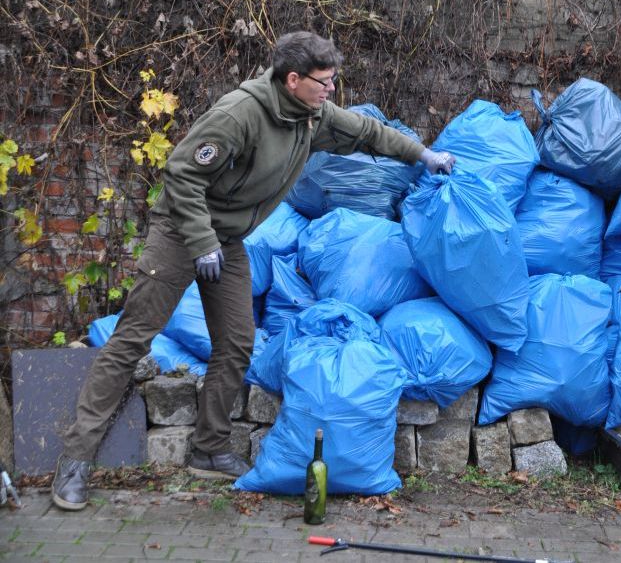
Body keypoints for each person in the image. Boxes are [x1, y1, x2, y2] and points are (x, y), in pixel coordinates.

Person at [52, 31, 456, 511]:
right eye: (324, 81)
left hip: (225, 241)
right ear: (293, 79)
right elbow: (182, 174)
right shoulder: (238, 115)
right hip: (180, 234)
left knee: (237, 341)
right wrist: (202, 243)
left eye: (333, 80)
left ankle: (208, 447)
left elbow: (369, 133)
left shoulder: (311, 116)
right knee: (132, 340)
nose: (331, 89)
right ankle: (74, 461)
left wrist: (424, 155)